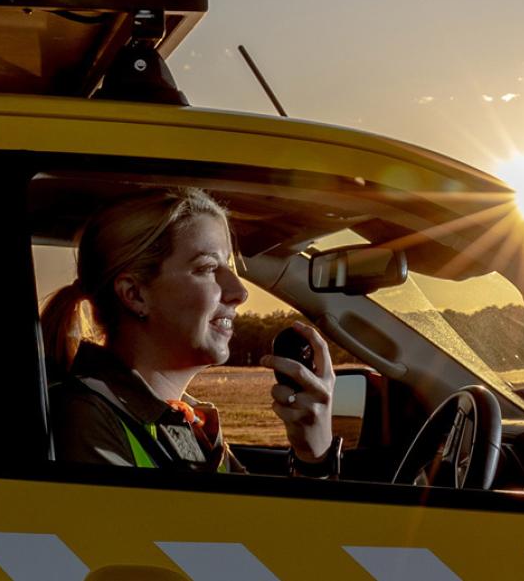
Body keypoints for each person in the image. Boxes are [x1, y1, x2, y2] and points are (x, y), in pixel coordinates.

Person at [43, 187, 338, 475]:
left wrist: (313, 458)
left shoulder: (185, 419)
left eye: (230, 268)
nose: (239, 292)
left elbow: (248, 522)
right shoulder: (83, 418)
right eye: (208, 268)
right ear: (134, 294)